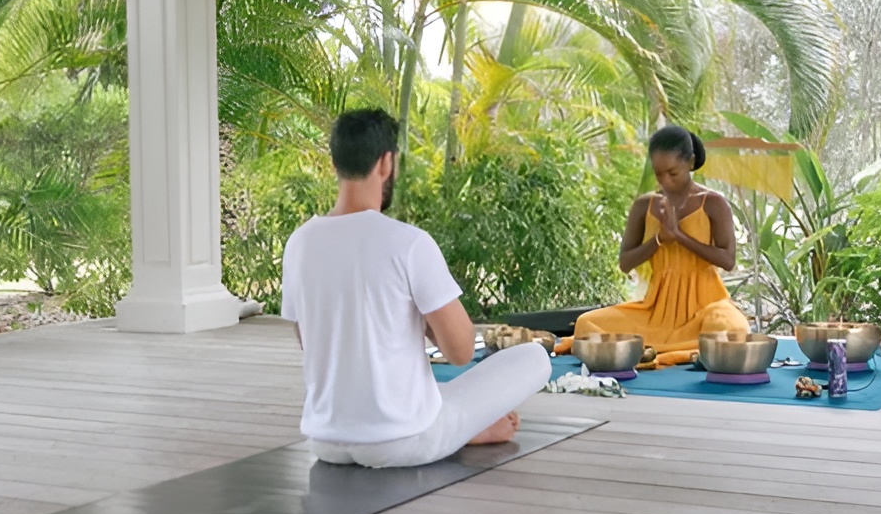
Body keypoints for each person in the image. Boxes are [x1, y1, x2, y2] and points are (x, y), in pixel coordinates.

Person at [281, 108, 552, 468]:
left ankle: (455, 423)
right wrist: (423, 321)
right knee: (533, 358)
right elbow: (460, 352)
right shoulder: (408, 243)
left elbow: (310, 343)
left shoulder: (299, 243)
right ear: (385, 163)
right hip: (401, 443)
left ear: (336, 163)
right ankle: (467, 431)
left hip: (324, 441)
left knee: (432, 393)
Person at [556, 125, 751, 366]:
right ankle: (686, 351)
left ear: (690, 163)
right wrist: (658, 240)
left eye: (672, 172)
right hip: (655, 310)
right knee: (587, 322)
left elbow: (728, 260)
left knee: (732, 328)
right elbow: (626, 263)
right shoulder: (644, 206)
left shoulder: (713, 203)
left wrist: (679, 236)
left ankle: (665, 353)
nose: (665, 180)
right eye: (658, 174)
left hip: (706, 305)